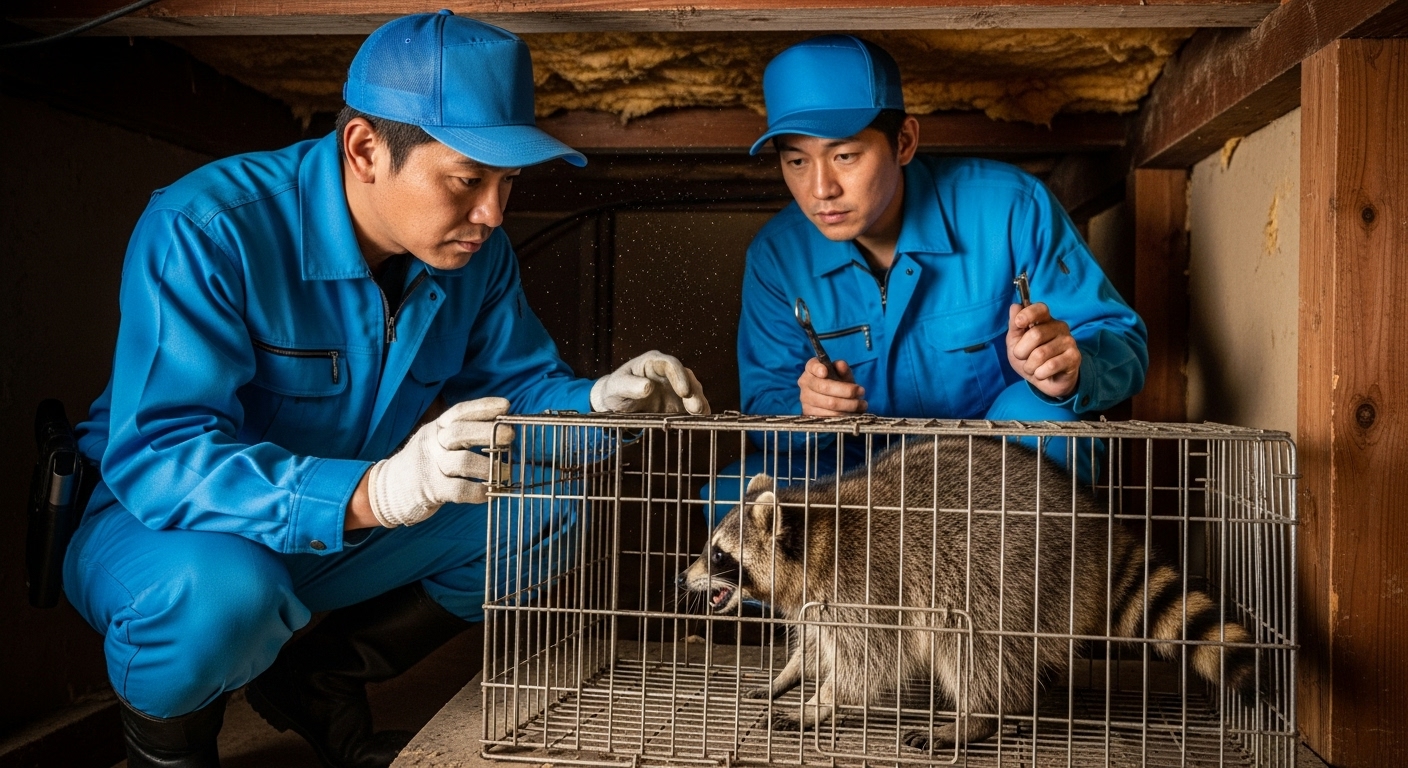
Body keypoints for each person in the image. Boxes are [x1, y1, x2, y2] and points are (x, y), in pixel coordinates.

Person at [63, 12, 708, 768]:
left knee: (549, 511)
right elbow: (161, 457)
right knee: (222, 597)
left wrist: (596, 405)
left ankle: (317, 679)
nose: (493, 214)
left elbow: (519, 396)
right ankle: (172, 753)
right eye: (468, 179)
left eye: (507, 183)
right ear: (365, 148)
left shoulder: (478, 256)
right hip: (165, 528)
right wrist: (377, 490)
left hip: (338, 525)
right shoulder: (208, 226)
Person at [708, 35, 1147, 513]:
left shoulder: (1013, 209)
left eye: (844, 155)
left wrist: (1073, 368)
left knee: (1050, 424)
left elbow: (1122, 342)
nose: (820, 189)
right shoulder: (775, 255)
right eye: (796, 160)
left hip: (988, 467)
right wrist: (806, 411)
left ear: (904, 142)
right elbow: (764, 404)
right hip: (856, 477)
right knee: (733, 498)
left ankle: (1021, 565)